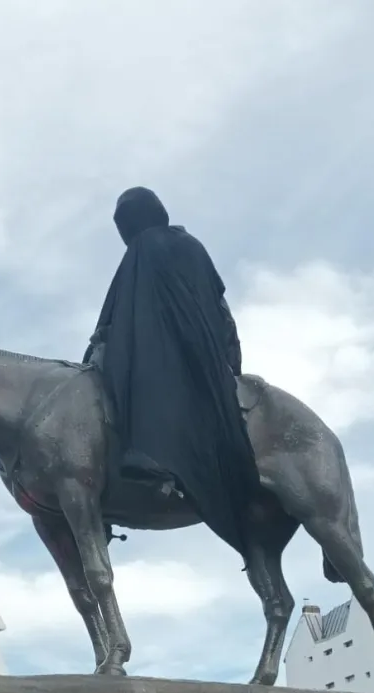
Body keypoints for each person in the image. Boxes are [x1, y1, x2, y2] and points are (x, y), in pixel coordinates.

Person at [83, 186, 258, 555]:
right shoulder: (190, 245)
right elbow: (220, 307)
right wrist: (232, 363)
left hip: (164, 356)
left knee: (114, 383)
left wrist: (96, 350)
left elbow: (115, 321)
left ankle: (143, 462)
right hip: (206, 354)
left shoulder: (141, 250)